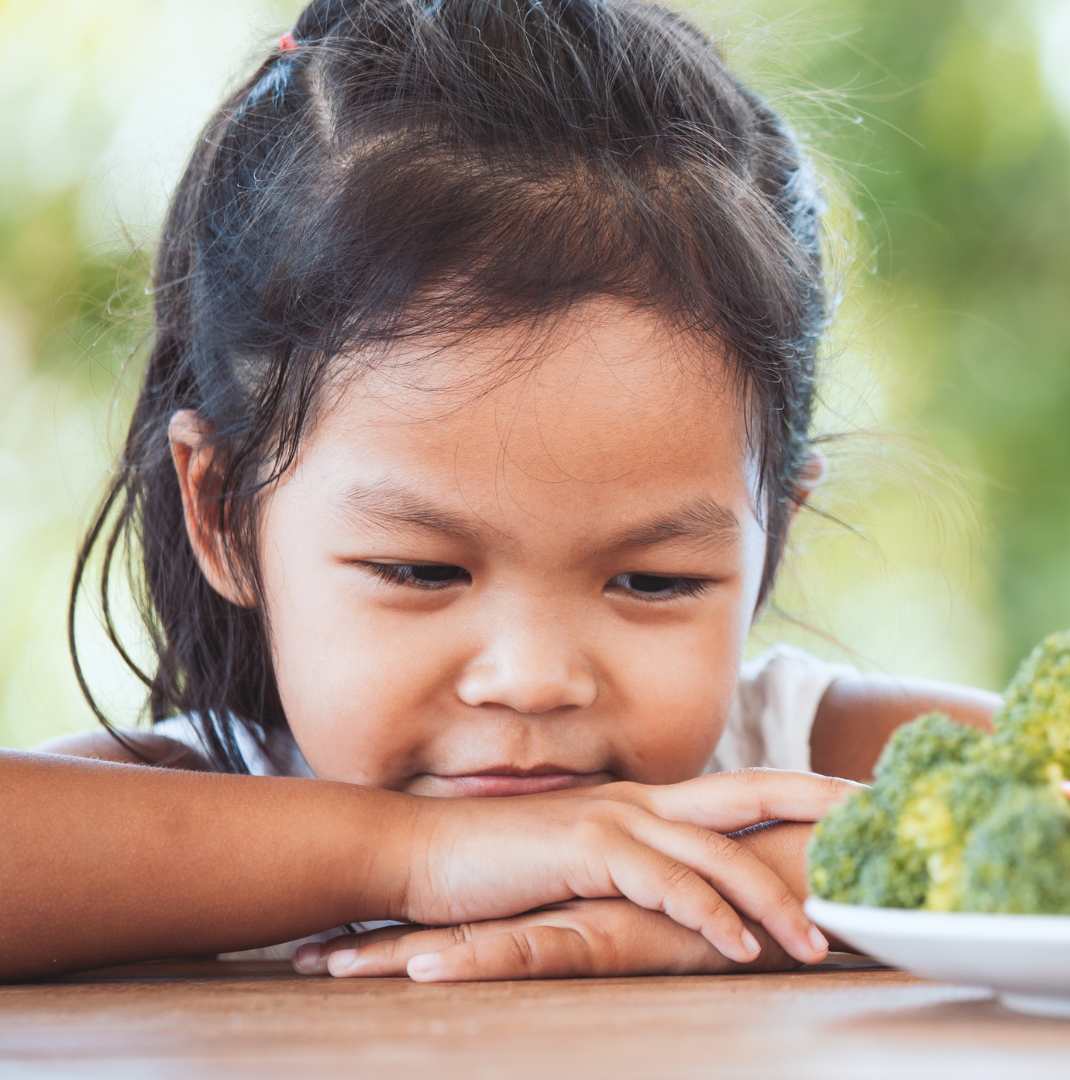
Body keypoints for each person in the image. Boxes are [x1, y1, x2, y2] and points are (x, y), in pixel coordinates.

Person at [2, 0, 999, 983]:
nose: (532, 679)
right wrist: (408, 855)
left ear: (767, 537)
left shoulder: (801, 764)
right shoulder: (206, 807)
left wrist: (812, 879)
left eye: (652, 581)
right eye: (420, 569)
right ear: (224, 515)